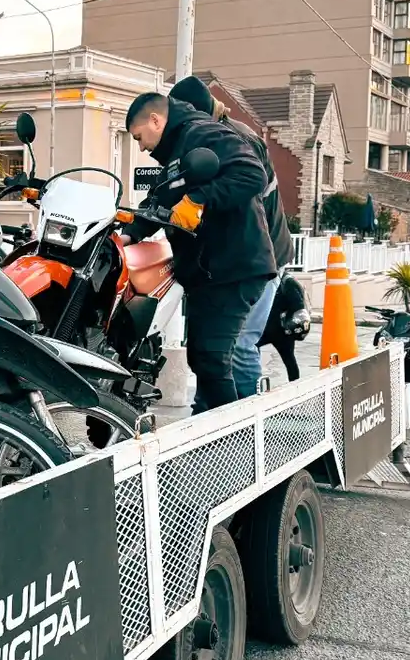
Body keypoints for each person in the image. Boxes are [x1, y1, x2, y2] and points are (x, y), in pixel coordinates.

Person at [120, 90, 276, 412]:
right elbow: (160, 200)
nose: (141, 147)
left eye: (139, 137)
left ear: (155, 120)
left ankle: (233, 445)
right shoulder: (176, 152)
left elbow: (252, 174)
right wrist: (127, 234)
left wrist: (199, 199)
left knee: (211, 357)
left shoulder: (202, 133)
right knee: (204, 359)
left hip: (234, 266)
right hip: (212, 270)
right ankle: (207, 435)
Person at [169, 76, 294, 401]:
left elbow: (246, 200)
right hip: (236, 260)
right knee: (215, 350)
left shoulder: (235, 137)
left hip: (261, 257)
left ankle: (244, 428)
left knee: (238, 345)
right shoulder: (207, 135)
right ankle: (209, 418)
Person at [257, 273, 311, 382]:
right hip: (269, 330)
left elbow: (298, 307)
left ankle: (295, 386)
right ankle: (256, 379)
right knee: (251, 348)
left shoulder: (288, 282)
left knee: (289, 360)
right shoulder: (270, 280)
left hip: (282, 331)